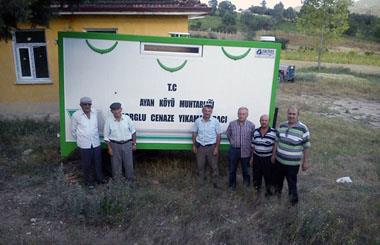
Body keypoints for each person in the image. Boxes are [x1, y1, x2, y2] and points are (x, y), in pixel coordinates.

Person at [272, 106, 311, 205]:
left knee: (291, 184)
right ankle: (277, 200)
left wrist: (305, 161)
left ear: (298, 115)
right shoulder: (282, 126)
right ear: (287, 114)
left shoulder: (303, 129)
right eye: (289, 114)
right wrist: (273, 155)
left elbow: (306, 146)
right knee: (278, 182)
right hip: (279, 161)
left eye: (294, 114)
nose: (291, 116)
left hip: (292, 164)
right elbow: (276, 141)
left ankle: (293, 204)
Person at [71, 97, 105, 189]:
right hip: (84, 144)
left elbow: (99, 125)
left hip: (95, 143)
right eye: (84, 104)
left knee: (98, 162)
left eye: (89, 104)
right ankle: (88, 182)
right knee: (87, 164)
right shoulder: (76, 115)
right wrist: (81, 139)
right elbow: (73, 131)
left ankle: (99, 179)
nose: (87, 106)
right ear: (80, 105)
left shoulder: (95, 113)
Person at [103, 102, 136, 181]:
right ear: (111, 111)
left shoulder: (127, 118)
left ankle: (130, 181)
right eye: (114, 110)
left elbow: (133, 131)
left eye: (118, 109)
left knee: (128, 164)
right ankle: (118, 182)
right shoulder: (108, 121)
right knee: (116, 165)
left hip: (127, 144)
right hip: (115, 145)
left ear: (121, 109)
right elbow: (106, 136)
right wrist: (109, 148)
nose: (116, 111)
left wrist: (134, 143)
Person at [192, 103, 221, 188]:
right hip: (200, 146)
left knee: (214, 166)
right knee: (200, 165)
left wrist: (216, 148)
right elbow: (194, 133)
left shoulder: (215, 121)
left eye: (209, 111)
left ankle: (215, 183)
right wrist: (194, 145)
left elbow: (219, 135)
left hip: (211, 147)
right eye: (206, 111)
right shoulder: (198, 121)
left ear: (211, 112)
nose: (207, 112)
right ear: (202, 111)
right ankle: (201, 183)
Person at [226, 107, 255, 190]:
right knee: (232, 169)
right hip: (234, 150)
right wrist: (232, 142)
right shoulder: (232, 124)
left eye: (243, 114)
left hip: (246, 151)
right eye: (239, 114)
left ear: (247, 115)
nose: (241, 115)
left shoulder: (251, 125)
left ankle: (246, 186)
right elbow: (228, 134)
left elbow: (253, 137)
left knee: (246, 170)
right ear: (237, 114)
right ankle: (232, 186)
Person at [251, 114, 276, 196]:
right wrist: (252, 158)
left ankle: (268, 193)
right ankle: (256, 192)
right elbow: (253, 146)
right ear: (260, 121)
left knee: (268, 177)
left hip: (268, 159)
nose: (264, 122)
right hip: (257, 158)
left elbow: (275, 146)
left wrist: (273, 156)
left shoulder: (274, 132)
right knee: (256, 176)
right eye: (262, 120)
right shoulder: (255, 131)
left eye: (266, 120)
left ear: (269, 121)